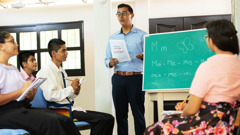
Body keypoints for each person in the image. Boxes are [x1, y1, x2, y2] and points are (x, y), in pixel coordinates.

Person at [145, 19, 240, 135]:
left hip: (207, 127)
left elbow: (191, 110)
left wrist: (182, 114)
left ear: (212, 41)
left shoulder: (208, 66)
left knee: (153, 129)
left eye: (207, 36)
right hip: (228, 128)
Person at [0, 31, 80, 135]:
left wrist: (29, 95)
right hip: (5, 113)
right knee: (51, 122)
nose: (17, 44)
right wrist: (21, 91)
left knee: (64, 119)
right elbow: (18, 92)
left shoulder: (13, 68)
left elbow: (23, 95)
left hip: (20, 107)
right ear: (1, 46)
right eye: (12, 41)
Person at [37, 38, 114, 135]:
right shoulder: (46, 71)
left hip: (69, 107)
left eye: (66, 50)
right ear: (53, 53)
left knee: (109, 118)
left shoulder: (61, 71)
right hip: (60, 110)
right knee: (100, 120)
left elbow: (66, 95)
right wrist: (71, 89)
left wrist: (75, 92)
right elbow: (50, 95)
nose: (67, 53)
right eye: (63, 50)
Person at [105, 3, 147, 135]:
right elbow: (107, 59)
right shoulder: (113, 37)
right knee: (120, 115)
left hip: (136, 78)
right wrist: (110, 62)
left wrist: (143, 57)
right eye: (118, 14)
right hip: (118, 78)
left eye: (124, 13)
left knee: (138, 114)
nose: (121, 16)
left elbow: (151, 57)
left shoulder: (142, 35)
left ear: (131, 15)